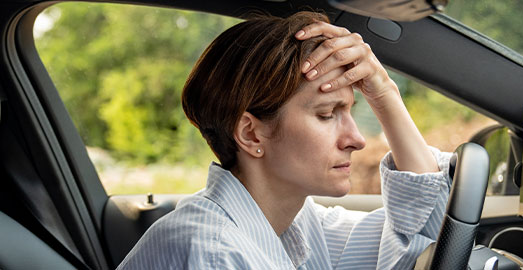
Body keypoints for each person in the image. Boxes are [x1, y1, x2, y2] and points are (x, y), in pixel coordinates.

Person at [117, 11, 452, 269]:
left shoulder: (296, 222)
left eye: (349, 111)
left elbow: (422, 237)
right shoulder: (213, 253)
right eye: (326, 114)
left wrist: (385, 93)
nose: (356, 139)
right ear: (250, 133)